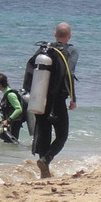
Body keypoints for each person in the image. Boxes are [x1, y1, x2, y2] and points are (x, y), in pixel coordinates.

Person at [24, 22, 78, 178]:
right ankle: (46, 160)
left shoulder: (43, 50)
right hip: (58, 100)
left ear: (55, 34)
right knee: (62, 136)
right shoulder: (71, 50)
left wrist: (29, 93)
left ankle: (44, 171)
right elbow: (69, 74)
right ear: (70, 36)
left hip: (39, 98)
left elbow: (30, 72)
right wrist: (73, 98)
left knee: (44, 133)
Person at [0, 73, 24, 143]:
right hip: (10, 122)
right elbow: (7, 112)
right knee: (8, 143)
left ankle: (14, 154)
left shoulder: (10, 95)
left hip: (15, 123)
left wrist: (8, 120)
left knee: (13, 142)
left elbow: (19, 109)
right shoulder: (6, 94)